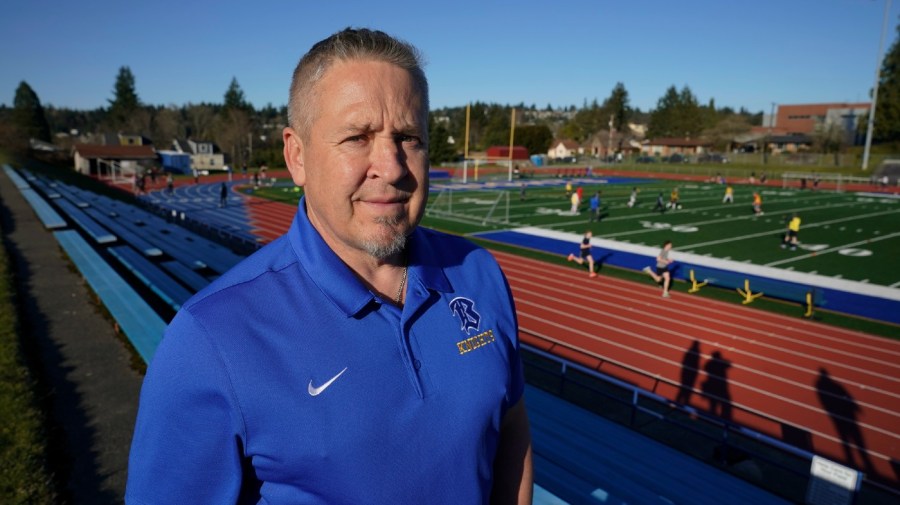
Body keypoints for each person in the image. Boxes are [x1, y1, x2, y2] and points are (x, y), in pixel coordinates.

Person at [126, 28, 532, 505]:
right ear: (296, 156)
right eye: (357, 137)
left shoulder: (479, 274)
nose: (393, 166)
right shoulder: (210, 338)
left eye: (408, 138)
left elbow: (510, 423)